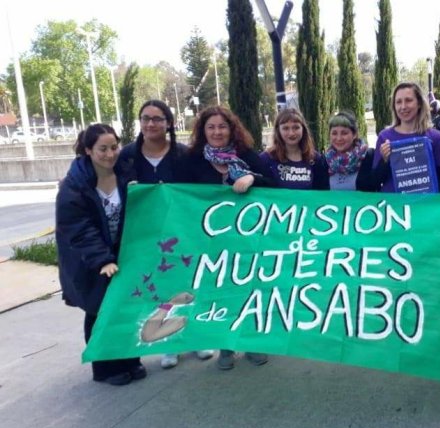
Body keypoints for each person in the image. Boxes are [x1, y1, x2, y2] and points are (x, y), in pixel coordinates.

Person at [119, 99, 214, 369]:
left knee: (189, 286)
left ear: (168, 123)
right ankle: (169, 343)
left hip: (183, 233)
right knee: (160, 288)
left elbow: (201, 193)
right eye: (146, 118)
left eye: (157, 119)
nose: (151, 124)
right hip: (147, 237)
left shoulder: (184, 155)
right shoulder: (127, 156)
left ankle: (195, 338)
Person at [179, 106, 276, 370]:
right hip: (211, 244)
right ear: (203, 131)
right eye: (211, 127)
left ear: (231, 129)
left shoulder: (246, 156)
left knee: (248, 291)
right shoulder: (193, 160)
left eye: (222, 126)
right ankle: (225, 346)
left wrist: (251, 178)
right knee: (218, 294)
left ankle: (253, 343)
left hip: (247, 242)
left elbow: (274, 184)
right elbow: (179, 196)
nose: (217, 131)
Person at [56, 124, 146, 386]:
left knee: (126, 307)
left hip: (122, 255)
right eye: (102, 149)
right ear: (88, 150)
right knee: (99, 311)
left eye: (114, 147)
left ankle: (130, 359)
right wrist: (102, 259)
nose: (110, 154)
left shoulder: (124, 173)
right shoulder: (75, 185)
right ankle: (105, 368)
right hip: (90, 261)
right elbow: (78, 228)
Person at [372, 82, 440, 192]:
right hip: (394, 205)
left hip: (425, 204)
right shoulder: (385, 137)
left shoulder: (436, 137)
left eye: (408, 100)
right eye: (398, 102)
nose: (403, 107)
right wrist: (384, 161)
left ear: (419, 104)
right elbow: (375, 181)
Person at [260, 107, 329, 190]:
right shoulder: (266, 159)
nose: (291, 133)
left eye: (296, 127)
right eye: (285, 128)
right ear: (278, 131)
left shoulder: (316, 159)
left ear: (303, 129)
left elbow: (322, 193)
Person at [325, 111, 378, 191]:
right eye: (334, 133)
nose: (339, 138)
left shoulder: (369, 157)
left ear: (354, 135)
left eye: (344, 133)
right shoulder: (324, 161)